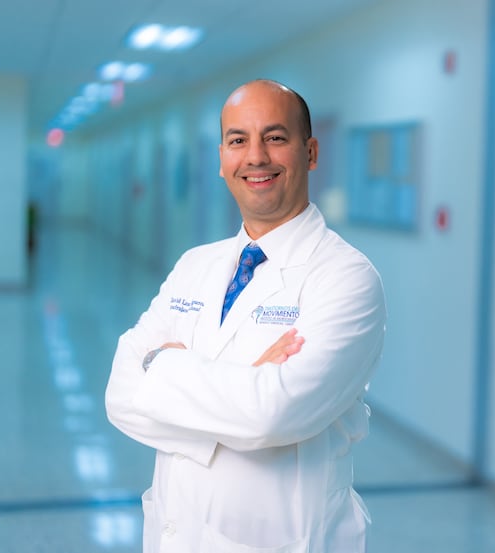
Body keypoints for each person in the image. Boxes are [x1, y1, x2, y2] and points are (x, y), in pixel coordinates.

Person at [105, 79, 387, 553]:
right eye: (238, 140)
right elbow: (119, 395)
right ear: (221, 158)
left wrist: (162, 366)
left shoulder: (347, 278)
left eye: (275, 137)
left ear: (311, 152)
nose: (255, 156)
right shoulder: (195, 265)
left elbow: (270, 415)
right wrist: (245, 382)